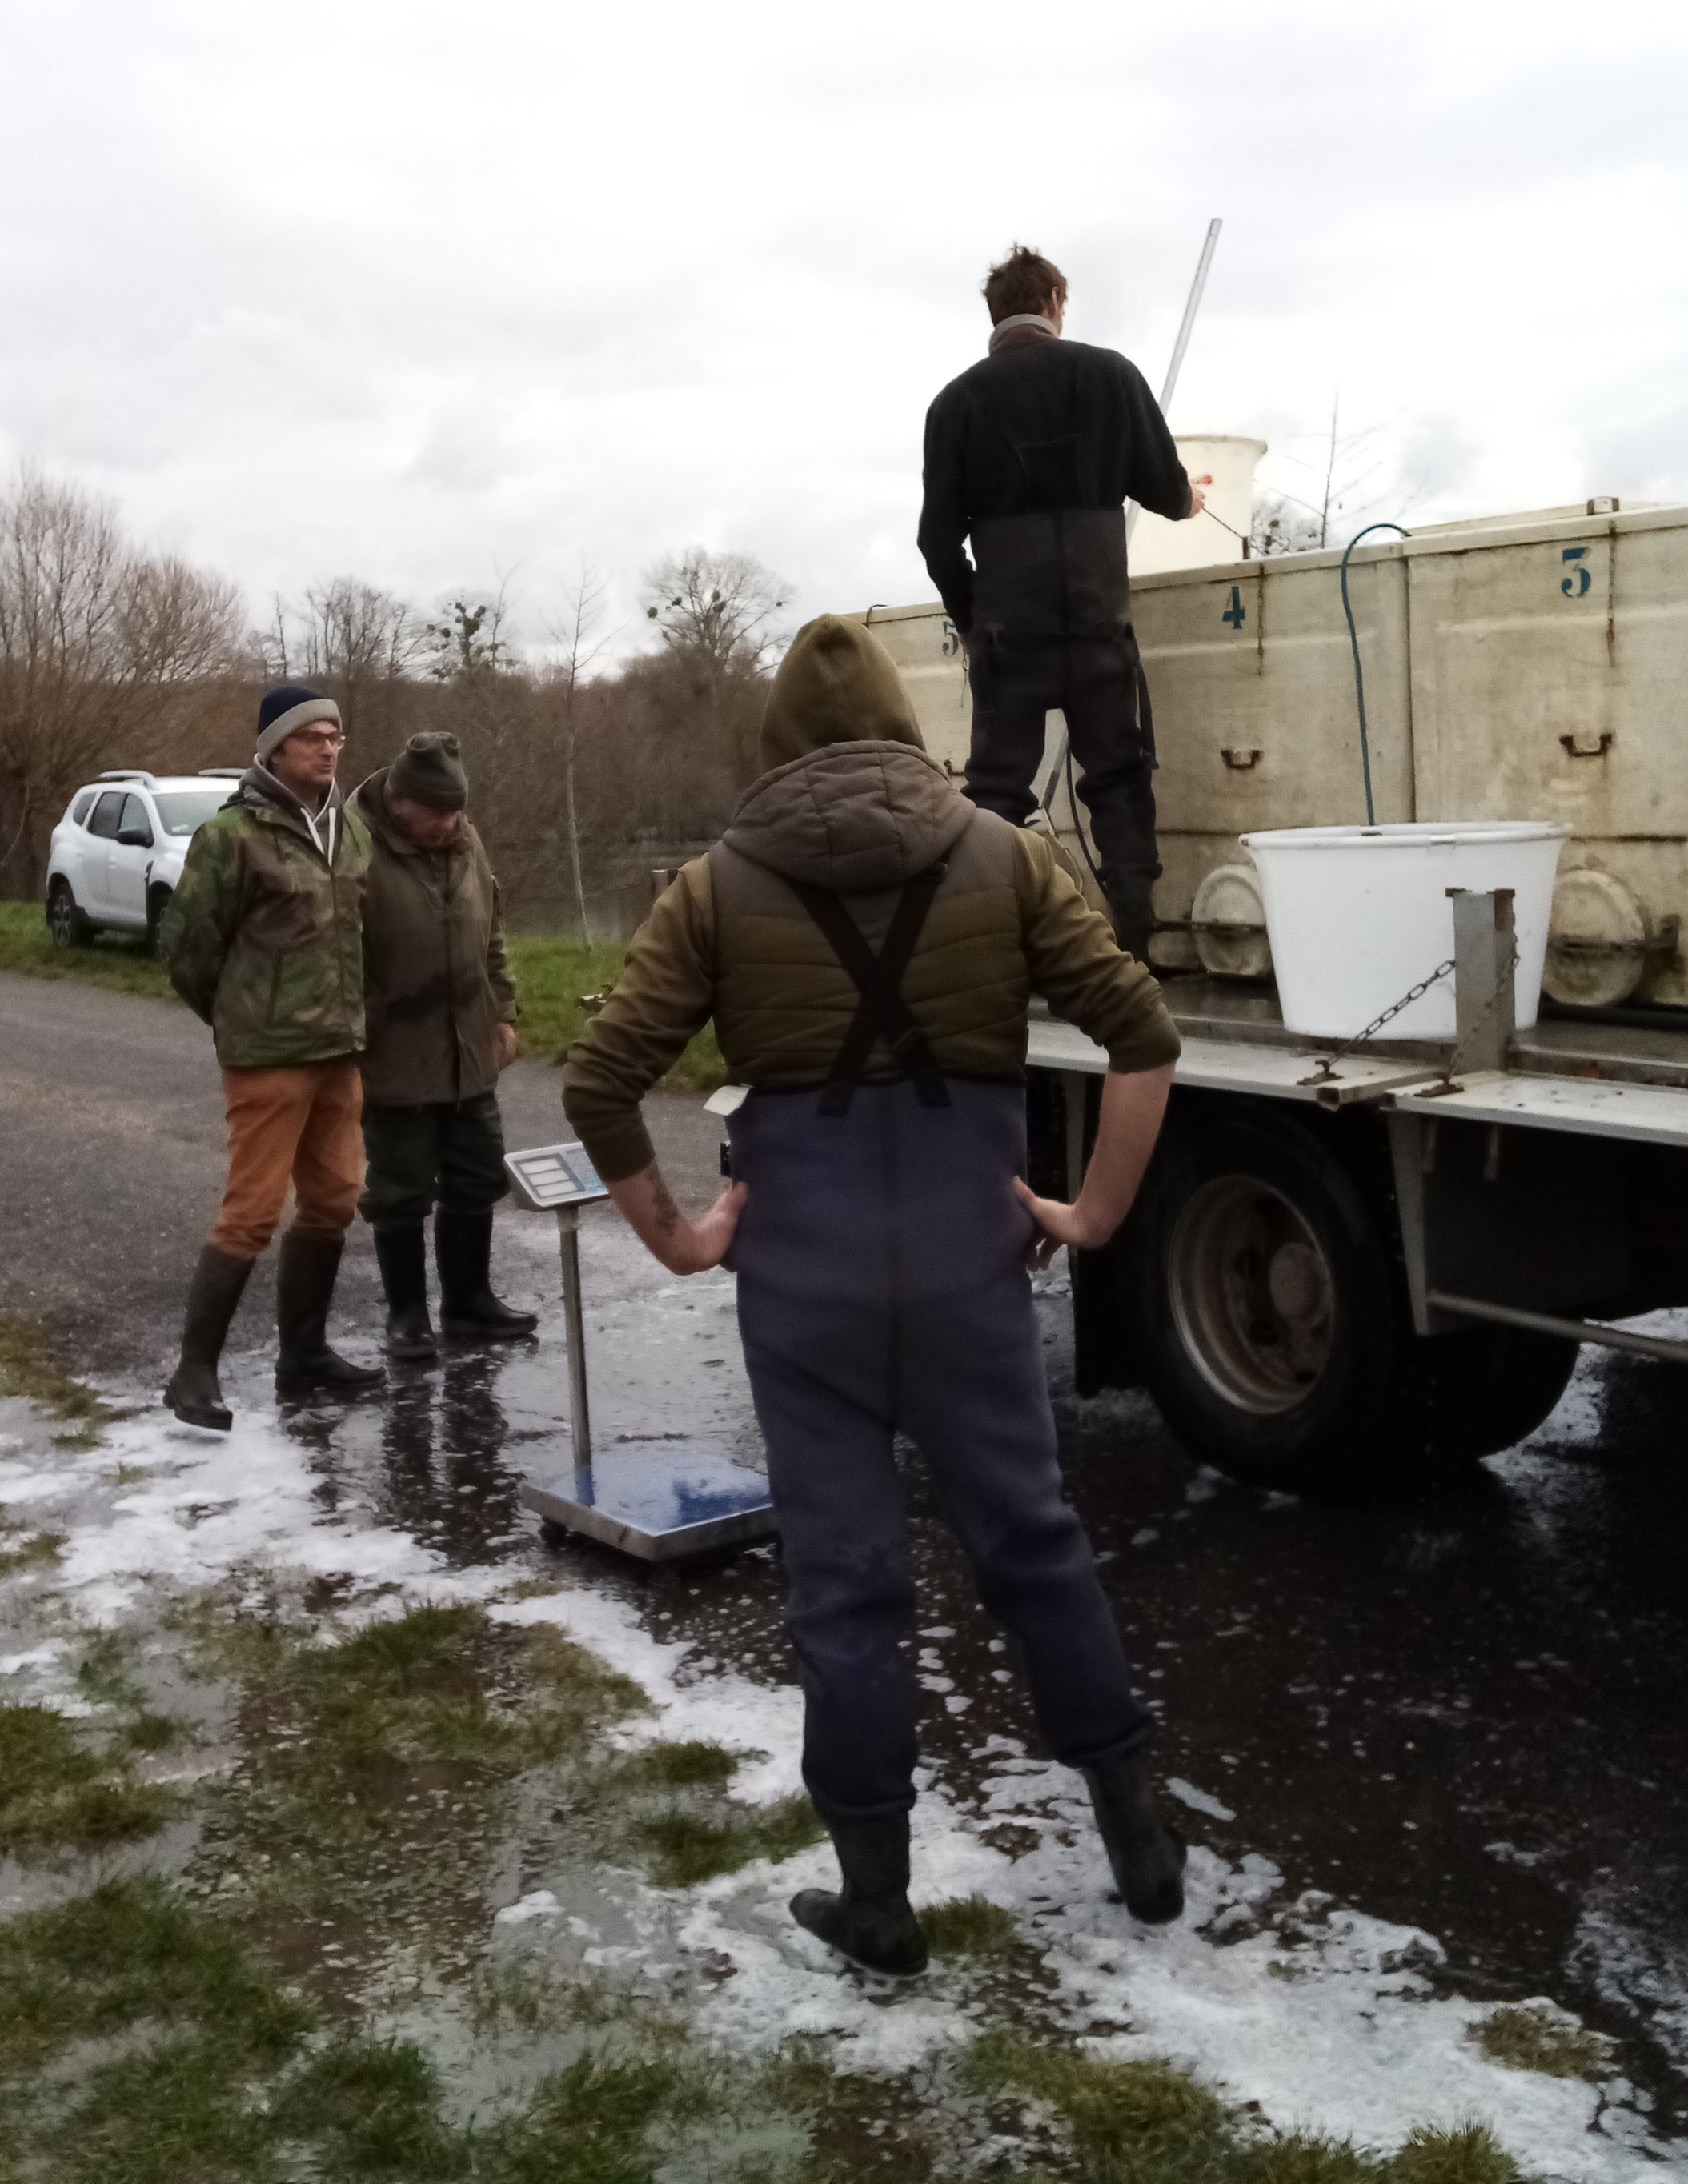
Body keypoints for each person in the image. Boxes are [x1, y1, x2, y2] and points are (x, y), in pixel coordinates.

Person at [563, 615, 1187, 1975]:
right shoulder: (1007, 855)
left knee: (845, 1583)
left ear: (778, 742)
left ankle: (878, 1903)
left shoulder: (715, 887)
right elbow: (1143, 1036)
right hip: (969, 1262)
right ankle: (1139, 1844)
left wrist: (680, 1239)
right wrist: (1091, 1216)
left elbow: (599, 1083)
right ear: (907, 727)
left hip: (807, 1282)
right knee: (1034, 1542)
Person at [916, 243, 1204, 963]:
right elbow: (1165, 491)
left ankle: (986, 949)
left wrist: (974, 619)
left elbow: (936, 541)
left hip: (1010, 635)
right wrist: (1190, 499)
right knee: (1119, 778)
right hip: (1099, 622)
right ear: (1053, 304)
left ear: (994, 314)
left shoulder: (955, 403)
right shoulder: (1110, 375)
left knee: (996, 793)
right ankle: (1134, 948)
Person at [158, 683, 385, 1427]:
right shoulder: (231, 836)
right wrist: (242, 1018)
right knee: (252, 1211)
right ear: (274, 749)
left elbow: (363, 933)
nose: (328, 748)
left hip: (339, 1050)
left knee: (335, 1199)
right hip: (268, 1056)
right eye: (312, 737)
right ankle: (193, 1374)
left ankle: (304, 1357)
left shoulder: (351, 829)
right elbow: (187, 948)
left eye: (335, 736)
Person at [354, 730, 536, 1353]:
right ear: (399, 802)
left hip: (469, 1046)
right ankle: (407, 1315)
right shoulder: (355, 846)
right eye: (437, 813)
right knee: (400, 1190)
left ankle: (469, 1302)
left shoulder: (466, 840)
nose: (450, 824)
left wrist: (503, 1013)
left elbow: (492, 934)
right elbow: (335, 959)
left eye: (457, 811)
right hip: (394, 1050)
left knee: (477, 1175)